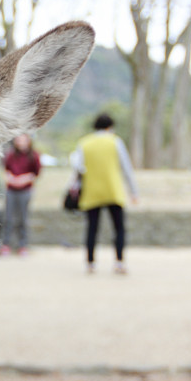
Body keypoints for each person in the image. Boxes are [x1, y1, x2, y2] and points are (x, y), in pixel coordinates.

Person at [73, 112, 139, 275]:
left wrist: (74, 187)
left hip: (92, 191)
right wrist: (134, 192)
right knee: (119, 228)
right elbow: (126, 168)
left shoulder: (84, 143)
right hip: (113, 191)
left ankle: (90, 263)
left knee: (92, 229)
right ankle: (119, 262)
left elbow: (78, 168)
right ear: (110, 127)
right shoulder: (115, 142)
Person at [0, 133, 41, 256]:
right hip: (11, 190)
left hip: (25, 190)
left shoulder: (34, 156)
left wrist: (24, 179)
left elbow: (35, 173)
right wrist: (12, 179)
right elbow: (6, 171)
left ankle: (23, 245)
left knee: (23, 217)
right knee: (8, 217)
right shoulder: (10, 155)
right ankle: (6, 244)